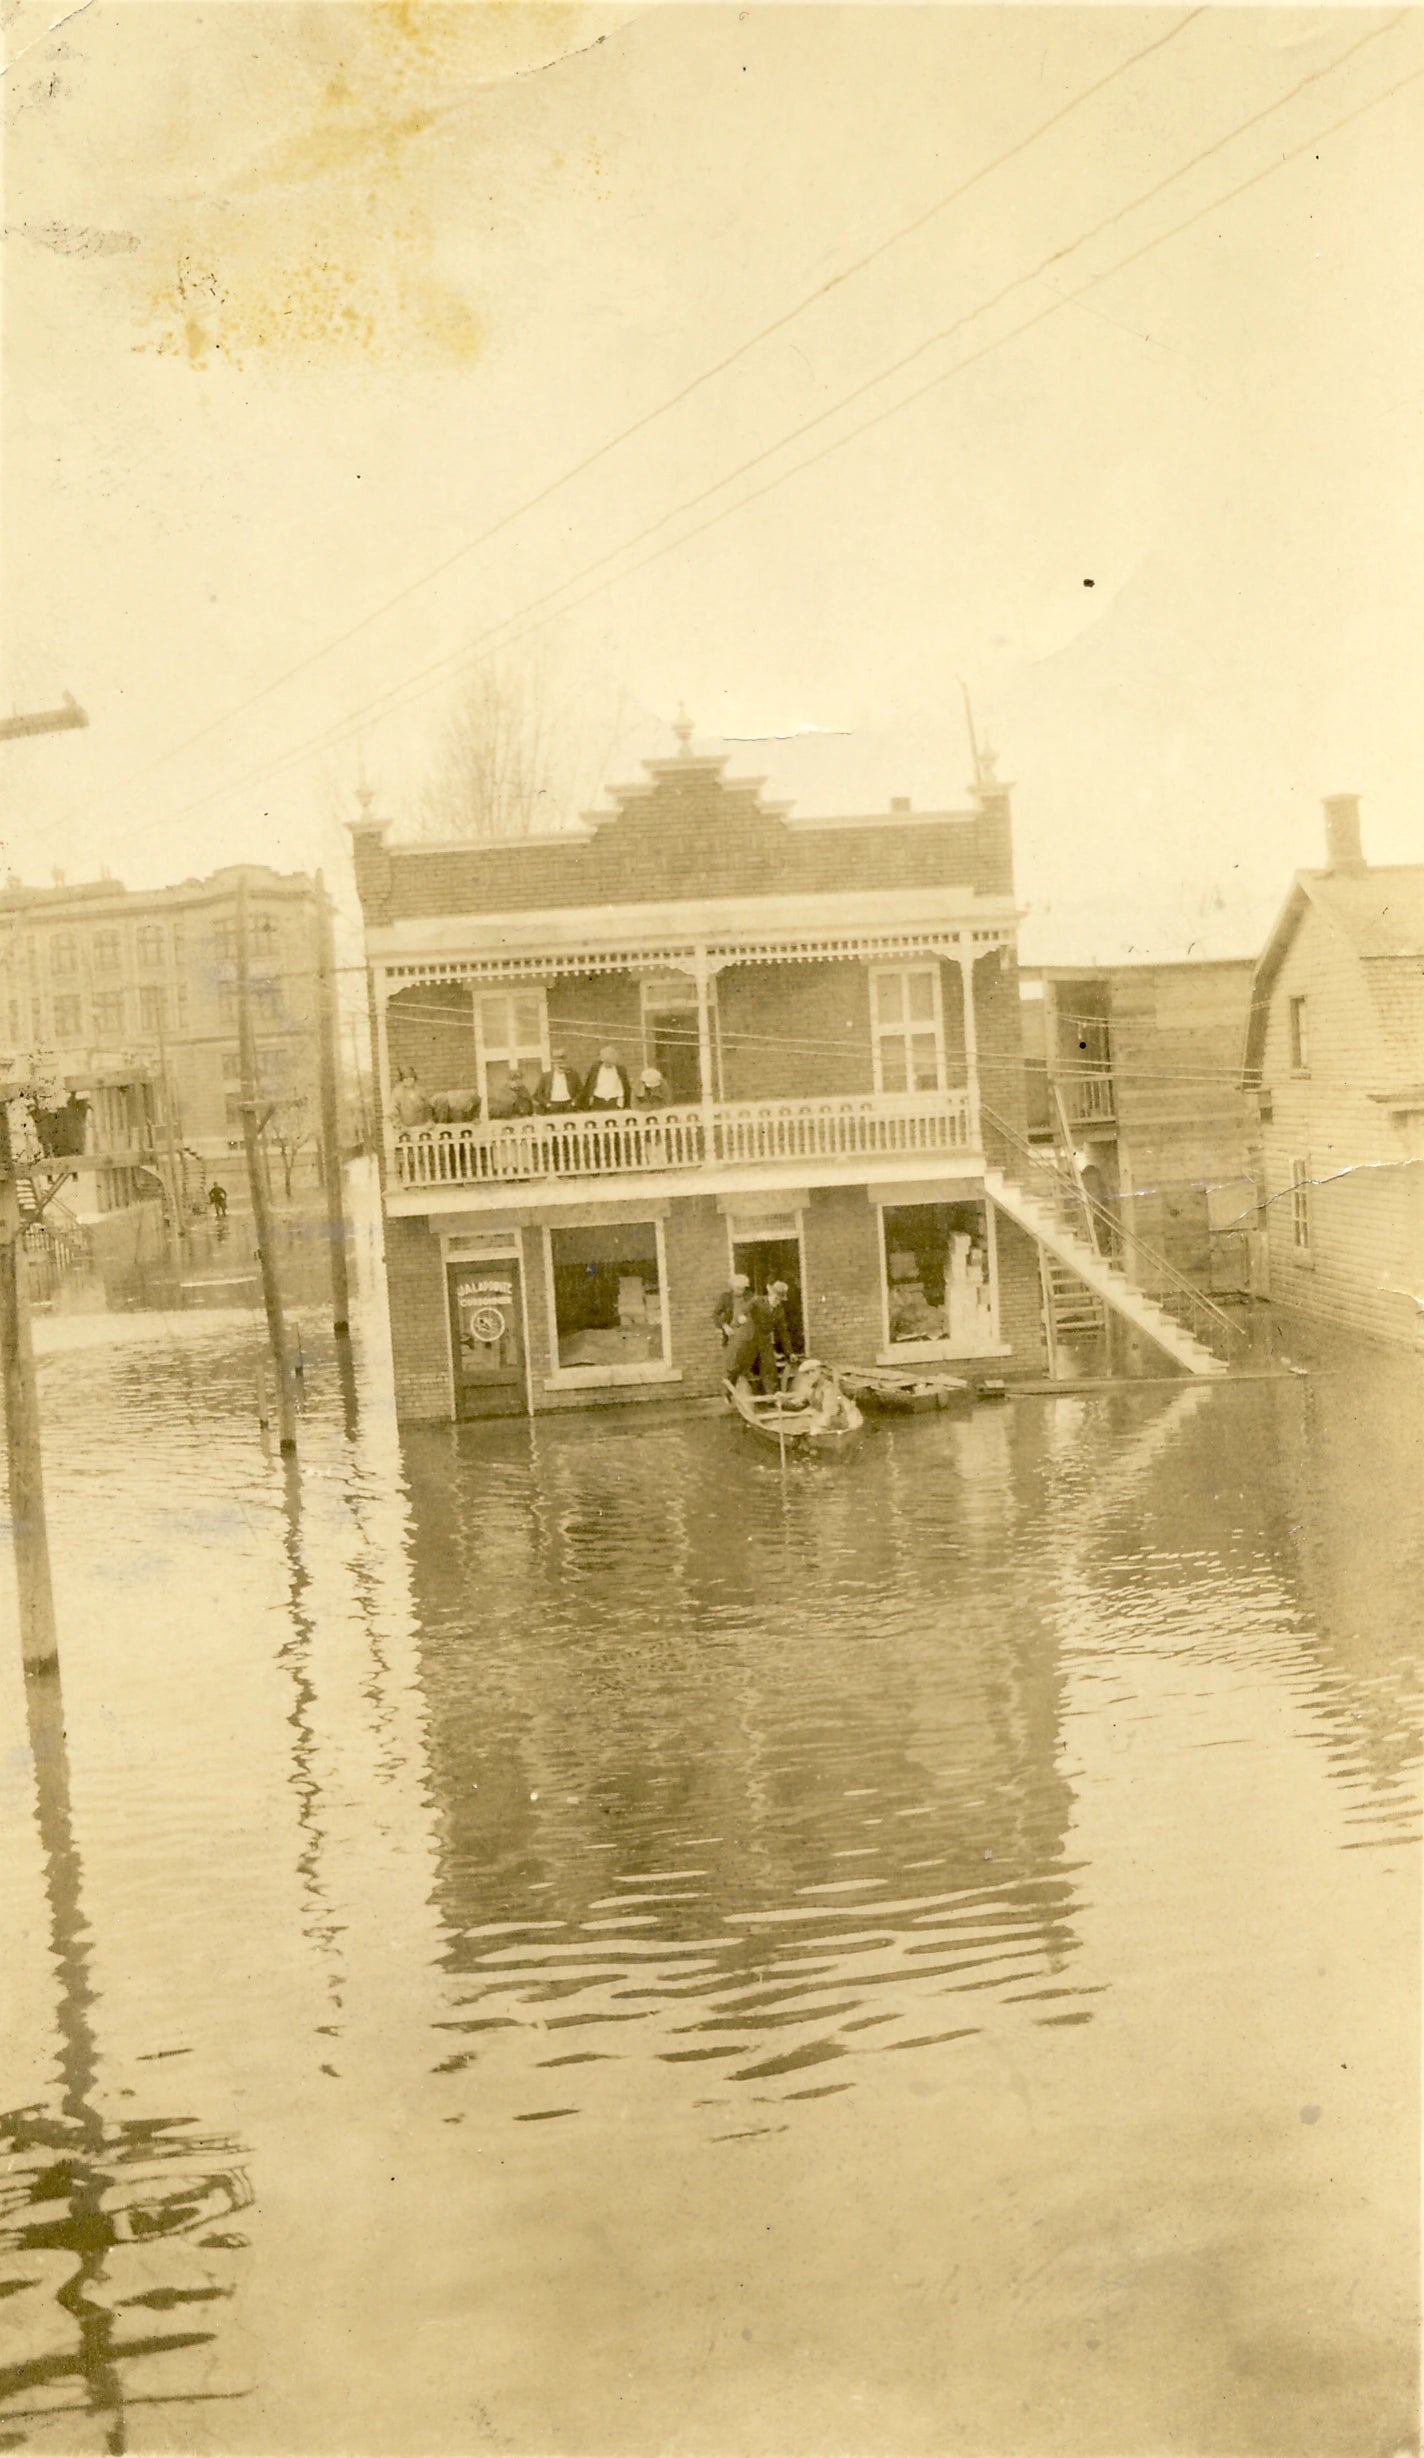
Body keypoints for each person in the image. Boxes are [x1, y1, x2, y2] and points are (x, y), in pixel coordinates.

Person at [584, 1045, 632, 1111]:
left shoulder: (620, 1070)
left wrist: (620, 1102)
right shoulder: (595, 1068)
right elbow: (589, 1084)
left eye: (611, 1061)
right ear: (603, 1060)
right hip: (598, 1101)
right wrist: (590, 1097)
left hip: (613, 1102)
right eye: (607, 1061)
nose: (609, 1064)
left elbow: (623, 1087)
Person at [713, 1271, 752, 1346]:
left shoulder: (750, 1297)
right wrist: (724, 1326)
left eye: (743, 1289)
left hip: (747, 1334)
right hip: (731, 1334)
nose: (741, 1291)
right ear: (733, 1287)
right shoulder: (725, 1298)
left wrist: (747, 1318)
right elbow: (716, 1314)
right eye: (738, 1288)